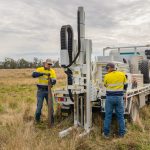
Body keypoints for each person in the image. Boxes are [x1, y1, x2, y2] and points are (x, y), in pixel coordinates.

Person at [103, 63, 127, 138]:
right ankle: (122, 134)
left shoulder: (106, 76)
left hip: (110, 98)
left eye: (107, 69)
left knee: (108, 116)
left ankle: (106, 134)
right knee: (120, 116)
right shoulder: (122, 74)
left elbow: (105, 85)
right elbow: (125, 85)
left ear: (110, 68)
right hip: (119, 98)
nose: (106, 71)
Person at [32, 59, 56, 123]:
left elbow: (54, 81)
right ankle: (37, 121)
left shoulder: (52, 71)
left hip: (48, 91)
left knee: (51, 106)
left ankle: (52, 121)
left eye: (50, 64)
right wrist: (43, 74)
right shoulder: (40, 69)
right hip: (41, 91)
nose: (49, 65)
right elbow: (33, 75)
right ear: (45, 63)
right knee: (39, 106)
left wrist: (51, 81)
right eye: (48, 64)